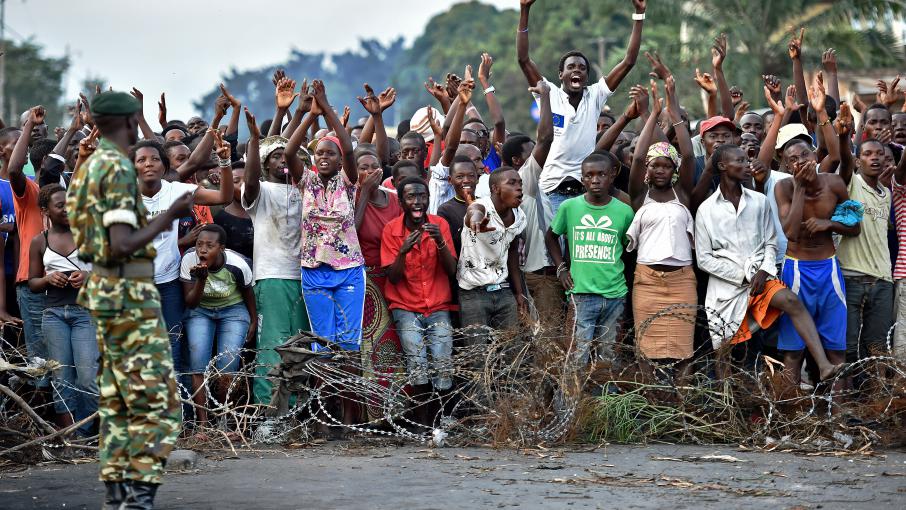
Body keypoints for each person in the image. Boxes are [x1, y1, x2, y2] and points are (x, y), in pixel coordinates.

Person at [66, 91, 192, 508]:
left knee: (120, 398)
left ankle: (119, 492)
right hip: (127, 291)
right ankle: (138, 494)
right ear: (128, 121)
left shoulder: (87, 168)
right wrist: (168, 218)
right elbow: (121, 243)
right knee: (157, 399)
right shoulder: (117, 170)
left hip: (103, 289)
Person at [695, 144, 842, 380]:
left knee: (791, 300)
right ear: (723, 166)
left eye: (747, 160)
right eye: (740, 161)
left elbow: (771, 242)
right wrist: (741, 276)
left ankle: (824, 365)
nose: (747, 165)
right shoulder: (706, 210)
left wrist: (764, 271)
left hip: (761, 278)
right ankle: (727, 405)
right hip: (726, 288)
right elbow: (704, 259)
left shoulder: (759, 201)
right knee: (723, 350)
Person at [285, 80, 364, 430]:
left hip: (348, 270)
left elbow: (348, 149)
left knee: (349, 346)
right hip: (314, 270)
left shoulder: (347, 180)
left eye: (329, 153)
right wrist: (308, 114)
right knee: (323, 346)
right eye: (320, 154)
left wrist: (328, 108)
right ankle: (325, 416)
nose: (325, 158)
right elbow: (289, 153)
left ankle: (350, 417)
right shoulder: (307, 181)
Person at [517, 0, 645, 213]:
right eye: (571, 67)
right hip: (551, 190)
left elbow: (629, 61)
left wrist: (639, 15)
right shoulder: (548, 93)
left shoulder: (595, 95)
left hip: (584, 191)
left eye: (582, 68)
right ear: (561, 75)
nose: (577, 70)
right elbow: (523, 59)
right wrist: (524, 9)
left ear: (587, 75)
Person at [133, 136, 233, 390]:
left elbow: (224, 195)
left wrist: (224, 160)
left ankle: (178, 418)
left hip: (168, 286)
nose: (149, 164)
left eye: (155, 159)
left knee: (172, 350)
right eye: (141, 160)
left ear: (165, 166)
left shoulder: (177, 191)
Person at [625, 78, 697, 371]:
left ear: (674, 170)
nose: (659, 169)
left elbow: (689, 154)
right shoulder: (640, 196)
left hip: (682, 280)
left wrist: (673, 108)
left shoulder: (683, 194)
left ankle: (681, 407)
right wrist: (653, 113)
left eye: (666, 165)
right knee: (645, 348)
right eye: (655, 165)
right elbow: (640, 155)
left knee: (683, 349)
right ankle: (649, 405)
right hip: (647, 281)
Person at [242, 108, 311, 405]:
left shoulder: (306, 189)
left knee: (301, 346)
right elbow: (251, 179)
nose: (283, 160)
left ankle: (295, 410)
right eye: (276, 157)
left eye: (288, 156)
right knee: (273, 345)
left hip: (307, 276)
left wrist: (303, 113)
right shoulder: (262, 191)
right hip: (272, 276)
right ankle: (269, 411)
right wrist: (256, 140)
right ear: (266, 164)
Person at [545, 152, 634, 366]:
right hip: (581, 294)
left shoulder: (624, 211)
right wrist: (562, 269)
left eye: (601, 174)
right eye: (589, 175)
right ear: (582, 178)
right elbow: (551, 236)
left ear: (611, 176)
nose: (595, 180)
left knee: (608, 357)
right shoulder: (570, 207)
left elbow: (628, 251)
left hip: (615, 295)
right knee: (576, 357)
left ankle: (603, 399)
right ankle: (570, 400)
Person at [381, 177, 457, 425]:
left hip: (437, 305)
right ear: (401, 201)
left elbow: (452, 270)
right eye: (411, 197)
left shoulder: (439, 225)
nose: (418, 202)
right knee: (417, 363)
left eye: (422, 196)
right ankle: (422, 421)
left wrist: (441, 242)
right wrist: (402, 251)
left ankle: (442, 419)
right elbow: (393, 278)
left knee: (443, 360)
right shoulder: (391, 230)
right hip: (406, 306)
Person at [27, 183, 98, 433]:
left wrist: (88, 276)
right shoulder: (39, 241)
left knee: (88, 377)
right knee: (61, 378)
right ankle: (72, 437)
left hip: (85, 313)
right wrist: (48, 279)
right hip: (54, 315)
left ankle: (89, 430)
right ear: (46, 210)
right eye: (61, 206)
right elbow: (32, 283)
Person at [180, 224, 255, 431]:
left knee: (227, 366)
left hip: (233, 310)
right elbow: (191, 302)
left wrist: (253, 322)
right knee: (198, 365)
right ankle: (203, 425)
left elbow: (249, 295)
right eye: (199, 244)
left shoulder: (238, 264)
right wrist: (201, 280)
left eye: (209, 246)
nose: (202, 250)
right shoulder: (188, 260)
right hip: (200, 310)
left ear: (221, 248)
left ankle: (223, 421)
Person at [501, 80, 557, 326]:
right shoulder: (526, 177)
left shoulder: (530, 182)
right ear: (517, 160)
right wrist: (546, 97)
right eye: (531, 153)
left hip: (543, 274)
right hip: (543, 275)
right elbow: (545, 139)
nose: (538, 156)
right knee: (550, 340)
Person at [837, 136, 894, 362]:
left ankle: (874, 396)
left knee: (877, 347)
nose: (875, 158)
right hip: (852, 278)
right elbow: (843, 160)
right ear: (858, 161)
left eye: (879, 154)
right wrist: (843, 136)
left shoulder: (886, 194)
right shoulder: (851, 182)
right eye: (868, 154)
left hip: (882, 280)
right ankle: (848, 394)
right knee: (849, 346)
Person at [458, 167, 527, 347]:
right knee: (477, 354)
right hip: (474, 292)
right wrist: (475, 220)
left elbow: (512, 253)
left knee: (512, 350)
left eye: (520, 183)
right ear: (496, 189)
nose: (519, 188)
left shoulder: (520, 217)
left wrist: (519, 293)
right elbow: (474, 210)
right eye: (512, 183)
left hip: (503, 290)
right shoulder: (483, 207)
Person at [213, 162, 254, 261]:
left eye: (247, 180)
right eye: (236, 181)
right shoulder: (221, 219)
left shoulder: (265, 210)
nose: (243, 185)